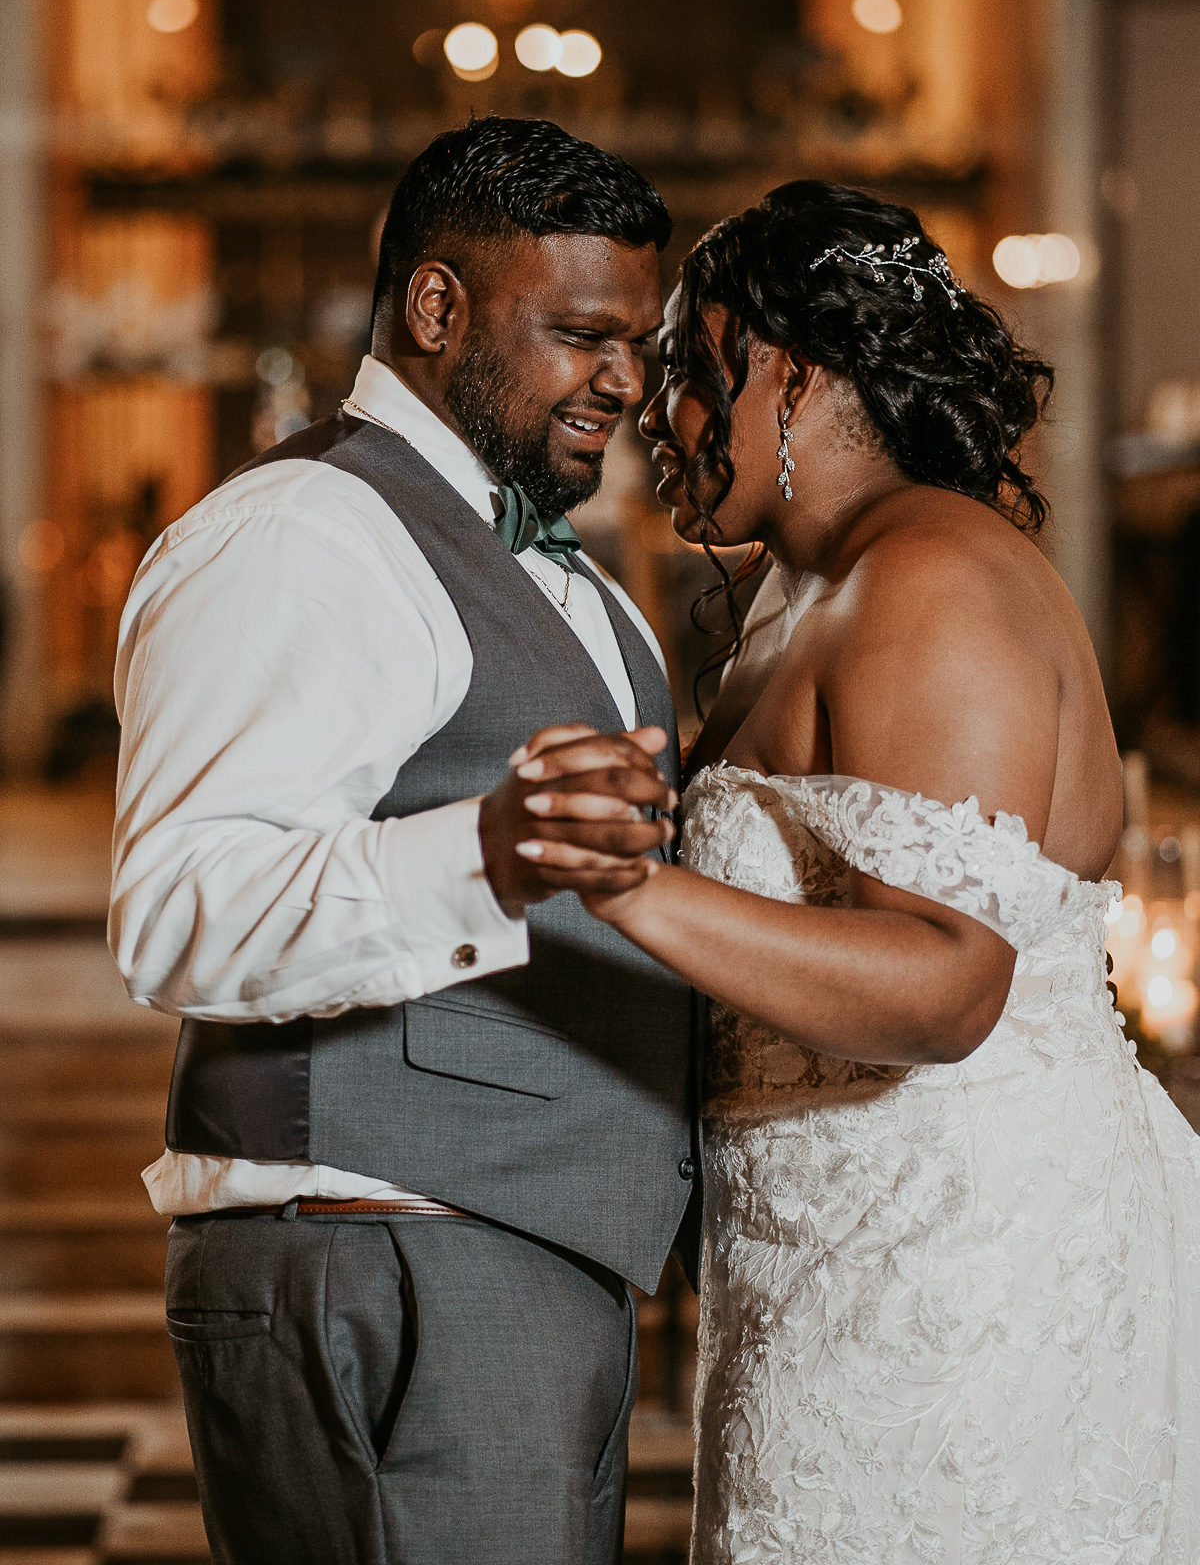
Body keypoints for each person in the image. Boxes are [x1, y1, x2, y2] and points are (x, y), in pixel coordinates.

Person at [511, 181, 1200, 1562]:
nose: (663, 417)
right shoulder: (794, 591)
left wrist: (633, 881)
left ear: (797, 374)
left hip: (961, 1275)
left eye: (699, 377)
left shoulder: (931, 578)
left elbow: (948, 985)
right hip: (820, 1264)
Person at [108, 116, 700, 1565]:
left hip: (514, 1256)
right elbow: (180, 909)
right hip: (383, 1251)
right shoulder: (305, 534)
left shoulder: (566, 573)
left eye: (639, 340)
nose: (624, 381)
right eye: (578, 334)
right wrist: (487, 855)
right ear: (437, 306)